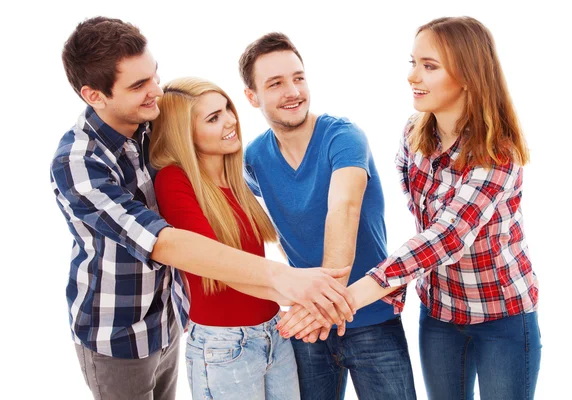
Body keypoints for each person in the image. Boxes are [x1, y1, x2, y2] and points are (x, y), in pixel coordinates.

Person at [50, 17, 354, 400]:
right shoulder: (78, 163)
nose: (156, 92)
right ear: (95, 95)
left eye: (154, 75)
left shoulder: (150, 125)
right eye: (139, 85)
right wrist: (286, 280)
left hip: (169, 319)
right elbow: (164, 242)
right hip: (119, 332)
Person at [280, 16, 542, 400]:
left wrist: (343, 301)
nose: (412, 76)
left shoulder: (497, 153)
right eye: (413, 62)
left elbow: (447, 237)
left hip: (502, 316)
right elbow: (423, 234)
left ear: (468, 75)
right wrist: (395, 287)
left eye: (429, 66)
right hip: (439, 315)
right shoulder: (413, 136)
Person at [239, 32, 417, 400]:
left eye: (298, 77)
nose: (293, 91)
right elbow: (242, 218)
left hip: (369, 316)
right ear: (252, 97)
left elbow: (343, 210)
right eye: (276, 83)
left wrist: (325, 305)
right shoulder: (254, 158)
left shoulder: (344, 136)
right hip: (308, 324)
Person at [150, 77, 301, 400]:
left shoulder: (237, 180)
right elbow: (220, 268)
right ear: (185, 134)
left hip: (274, 333)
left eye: (227, 109)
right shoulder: (174, 181)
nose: (230, 120)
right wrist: (297, 291)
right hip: (224, 347)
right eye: (213, 118)